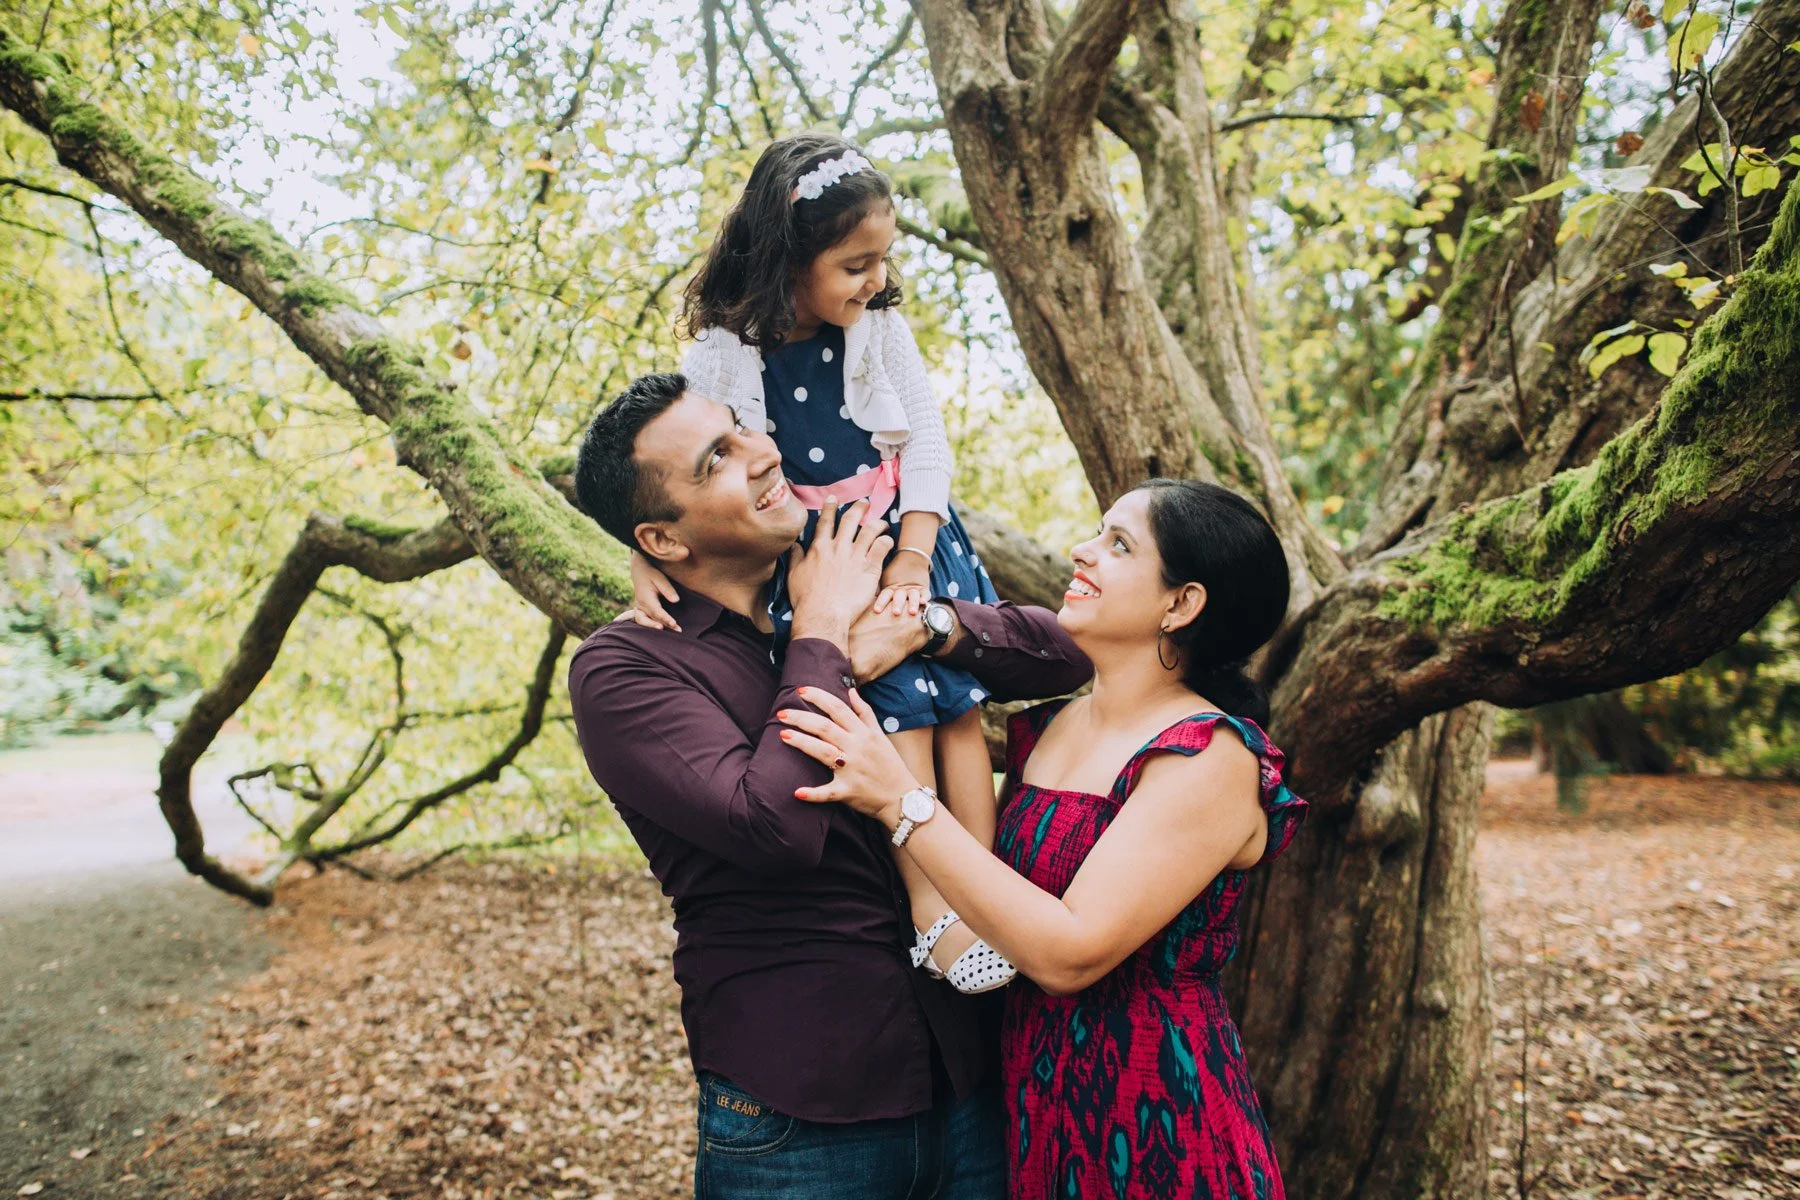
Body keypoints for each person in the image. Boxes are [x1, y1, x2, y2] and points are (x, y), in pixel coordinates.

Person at [565, 373, 1091, 1199]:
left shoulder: (844, 563)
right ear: (660, 542)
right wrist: (825, 634)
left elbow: (1068, 653)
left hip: (971, 1083)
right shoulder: (624, 669)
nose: (762, 451)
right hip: (797, 1116)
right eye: (717, 462)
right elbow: (773, 827)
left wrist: (926, 625)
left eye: (741, 428)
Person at [774, 479, 1308, 1199]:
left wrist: (901, 801)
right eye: (1098, 532)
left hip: (1158, 1117)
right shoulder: (1051, 727)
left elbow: (1068, 953)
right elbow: (983, 908)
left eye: (1118, 545)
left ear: (1181, 604)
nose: (1081, 552)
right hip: (1037, 1107)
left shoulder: (1210, 756)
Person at [621, 132, 1013, 992]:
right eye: (854, 264)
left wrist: (913, 560)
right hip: (829, 557)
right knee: (894, 718)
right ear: (787, 262)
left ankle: (988, 895)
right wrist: (642, 559)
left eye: (883, 259)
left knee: (958, 713)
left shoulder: (878, 327)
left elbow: (929, 446)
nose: (876, 280)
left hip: (912, 539)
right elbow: (687, 479)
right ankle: (932, 912)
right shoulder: (725, 353)